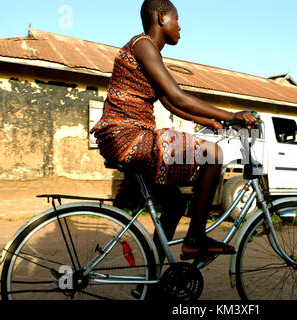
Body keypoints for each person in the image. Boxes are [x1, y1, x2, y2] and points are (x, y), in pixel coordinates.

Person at [91, 0, 257, 263]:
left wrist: (211, 121)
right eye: (177, 19)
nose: (180, 27)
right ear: (160, 18)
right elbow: (177, 97)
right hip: (129, 136)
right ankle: (195, 239)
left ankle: (156, 279)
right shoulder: (143, 45)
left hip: (127, 136)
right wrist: (230, 115)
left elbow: (169, 102)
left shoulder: (146, 51)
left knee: (176, 203)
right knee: (212, 154)